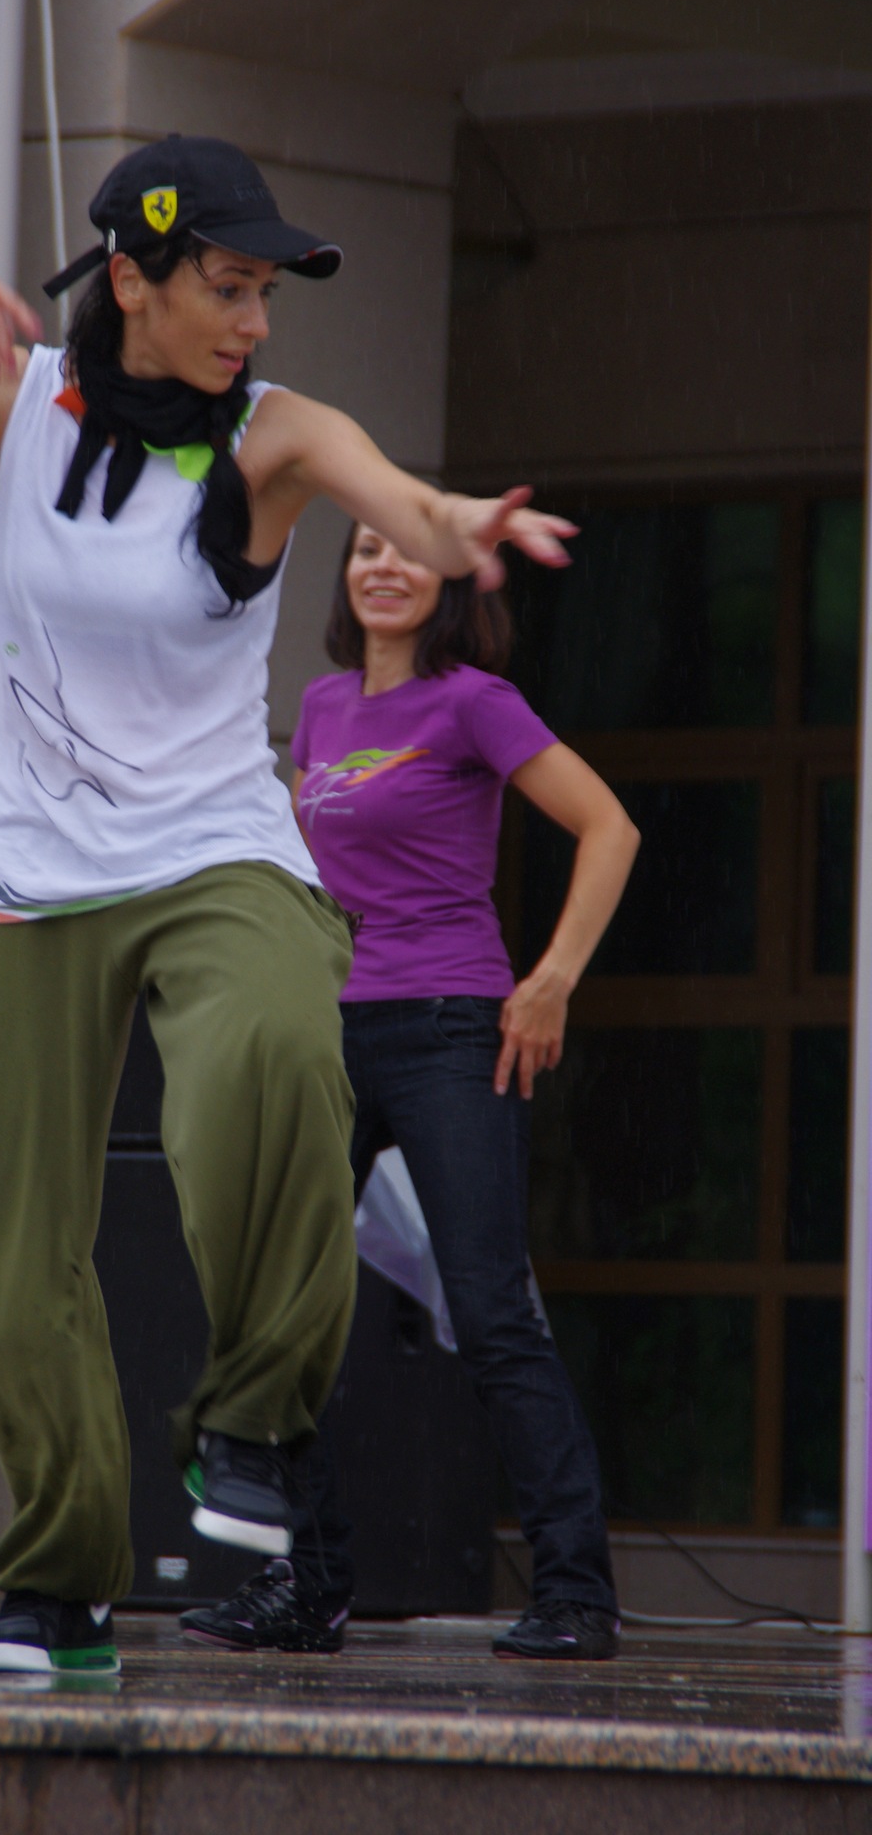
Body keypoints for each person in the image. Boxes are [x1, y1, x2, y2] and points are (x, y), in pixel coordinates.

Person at [0, 135, 575, 1677]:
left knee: (274, 1058)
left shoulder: (277, 434)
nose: (254, 321)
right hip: (37, 873)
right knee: (21, 1251)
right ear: (133, 281)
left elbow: (401, 500)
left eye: (266, 293)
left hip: (216, 850)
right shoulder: (11, 400)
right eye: (228, 287)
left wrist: (457, 527)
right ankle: (59, 1586)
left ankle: (255, 1428)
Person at [180, 518, 639, 1662]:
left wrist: (551, 979)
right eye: (364, 549)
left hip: (448, 1029)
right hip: (324, 1032)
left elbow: (608, 826)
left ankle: (575, 1591)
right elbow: (293, 871)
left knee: (490, 1310)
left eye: (407, 552)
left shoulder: (473, 700)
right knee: (281, 1312)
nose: (382, 566)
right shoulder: (323, 707)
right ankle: (311, 1584)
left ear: (447, 580)